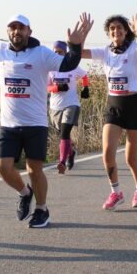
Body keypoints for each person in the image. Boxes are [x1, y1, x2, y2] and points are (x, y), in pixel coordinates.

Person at [0, 12, 93, 228]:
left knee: (34, 170)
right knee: (2, 167)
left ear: (29, 31)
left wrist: (74, 46)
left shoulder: (41, 53)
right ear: (8, 31)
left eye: (21, 28)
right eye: (12, 28)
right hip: (8, 124)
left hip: (35, 123)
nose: (16, 31)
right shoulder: (0, 53)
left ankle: (42, 209)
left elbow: (67, 65)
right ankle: (24, 193)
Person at [82, 14, 137, 209]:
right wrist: (84, 34)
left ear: (126, 30)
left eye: (119, 28)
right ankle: (116, 192)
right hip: (114, 104)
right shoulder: (105, 52)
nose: (116, 31)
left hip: (134, 104)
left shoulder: (135, 49)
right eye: (112, 28)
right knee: (107, 153)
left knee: (131, 157)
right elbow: (79, 53)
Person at [46, 40, 90, 174]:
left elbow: (84, 75)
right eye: (55, 52)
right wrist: (56, 87)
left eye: (60, 52)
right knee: (63, 136)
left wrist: (85, 88)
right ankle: (70, 153)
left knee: (65, 133)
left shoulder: (73, 66)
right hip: (55, 107)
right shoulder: (50, 69)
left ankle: (62, 162)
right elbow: (46, 87)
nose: (57, 54)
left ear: (65, 53)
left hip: (71, 104)